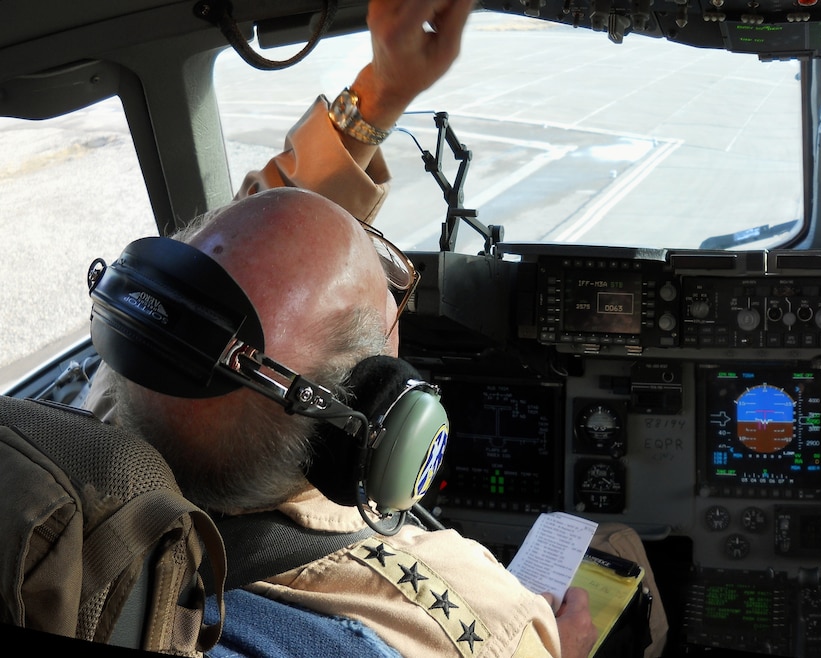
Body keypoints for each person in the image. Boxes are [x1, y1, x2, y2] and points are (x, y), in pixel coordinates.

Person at [94, 1, 626, 656]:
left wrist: (381, 90)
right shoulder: (479, 618)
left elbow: (260, 242)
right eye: (389, 286)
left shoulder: (101, 413)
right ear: (377, 411)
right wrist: (564, 644)